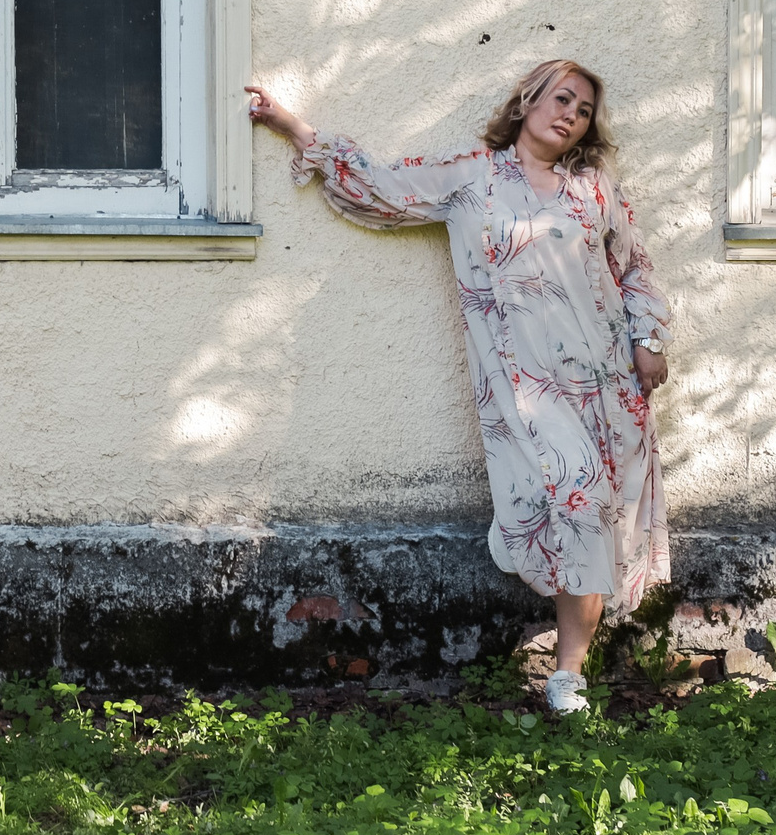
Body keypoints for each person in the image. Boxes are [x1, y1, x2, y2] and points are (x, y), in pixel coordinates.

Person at [244, 61, 671, 715]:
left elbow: (633, 265)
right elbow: (382, 186)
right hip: (526, 388)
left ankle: (568, 675)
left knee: (593, 516)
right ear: (527, 101)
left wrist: (648, 339)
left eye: (583, 110)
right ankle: (568, 669)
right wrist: (291, 123)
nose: (570, 115)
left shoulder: (592, 188)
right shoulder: (473, 176)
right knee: (575, 500)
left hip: (604, 381)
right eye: (561, 99)